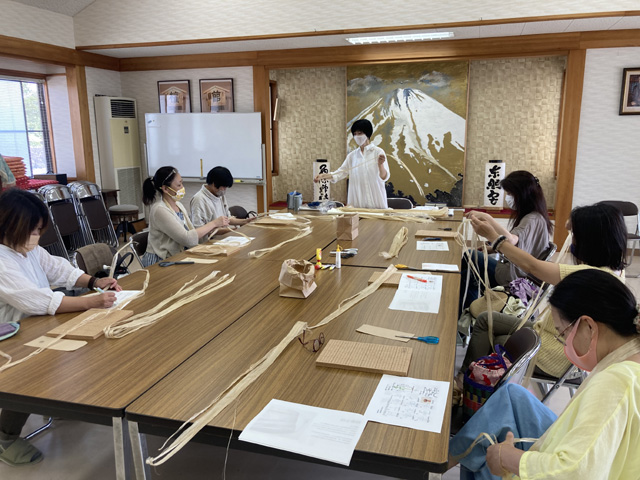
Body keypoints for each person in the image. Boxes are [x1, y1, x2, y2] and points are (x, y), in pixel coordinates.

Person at [449, 269, 640, 479]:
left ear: (589, 326)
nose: (566, 343)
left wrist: (509, 458)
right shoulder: (630, 358)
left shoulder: (614, 382)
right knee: (512, 395)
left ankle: (451, 458)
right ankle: (450, 456)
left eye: (563, 333)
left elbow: (575, 472)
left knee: (488, 457)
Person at [0, 188, 120, 466]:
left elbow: (58, 268)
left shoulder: (25, 248)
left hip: (34, 324)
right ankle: (5, 436)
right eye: (34, 230)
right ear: (13, 226)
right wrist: (90, 302)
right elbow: (34, 299)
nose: (37, 237)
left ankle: (50, 403)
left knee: (57, 363)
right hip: (11, 334)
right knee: (30, 376)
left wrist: (94, 282)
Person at [458, 202, 627, 386]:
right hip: (545, 332)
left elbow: (532, 266)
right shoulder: (613, 271)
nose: (572, 241)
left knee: (497, 340)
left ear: (591, 240)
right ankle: (466, 378)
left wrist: (494, 238)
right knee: (485, 320)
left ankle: (472, 386)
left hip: (554, 354)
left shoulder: (592, 276)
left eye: (576, 236)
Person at [460, 171, 552, 312]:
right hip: (517, 271)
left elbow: (511, 240)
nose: (508, 198)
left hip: (515, 278)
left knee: (469, 260)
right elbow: (519, 245)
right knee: (469, 265)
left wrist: (487, 218)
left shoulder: (532, 219)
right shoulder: (535, 217)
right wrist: (492, 248)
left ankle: (465, 310)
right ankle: (469, 309)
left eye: (510, 194)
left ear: (522, 194)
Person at [140, 166, 230, 267]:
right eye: (179, 185)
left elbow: (190, 232)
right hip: (160, 261)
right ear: (165, 189)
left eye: (182, 183)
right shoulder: (159, 210)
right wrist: (214, 223)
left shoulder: (178, 205)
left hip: (177, 256)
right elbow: (187, 239)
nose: (182, 187)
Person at [313, 118, 390, 209]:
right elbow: (340, 173)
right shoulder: (352, 156)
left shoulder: (378, 152)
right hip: (357, 203)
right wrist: (323, 176)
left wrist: (380, 165)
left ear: (367, 134)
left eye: (360, 133)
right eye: (355, 134)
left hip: (377, 202)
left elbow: (384, 177)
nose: (357, 136)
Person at [190, 166, 253, 231]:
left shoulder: (219, 194)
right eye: (224, 187)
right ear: (214, 184)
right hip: (208, 240)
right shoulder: (199, 199)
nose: (225, 190)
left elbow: (227, 219)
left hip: (222, 238)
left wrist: (246, 221)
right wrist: (225, 231)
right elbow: (198, 230)